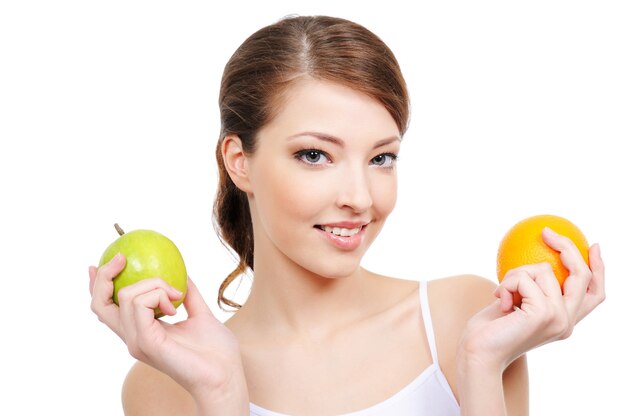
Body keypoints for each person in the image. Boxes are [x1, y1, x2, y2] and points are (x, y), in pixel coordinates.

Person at [89, 15, 605, 416]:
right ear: (239, 161)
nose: (360, 197)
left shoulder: (467, 319)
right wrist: (221, 393)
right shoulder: (164, 383)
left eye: (381, 158)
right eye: (315, 155)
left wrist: (481, 366)